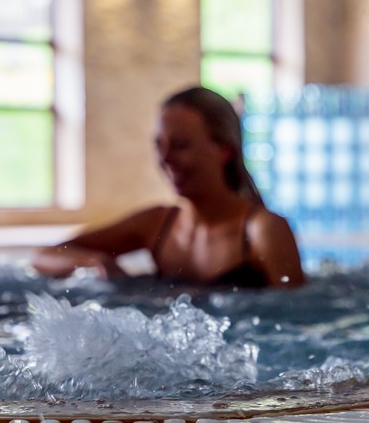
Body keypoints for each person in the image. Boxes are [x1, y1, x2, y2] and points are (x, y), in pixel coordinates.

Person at [34, 86, 305, 288]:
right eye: (159, 145)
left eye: (181, 146)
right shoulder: (158, 224)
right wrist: (95, 262)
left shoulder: (262, 230)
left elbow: (297, 322)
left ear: (223, 150)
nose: (164, 159)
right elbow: (45, 255)